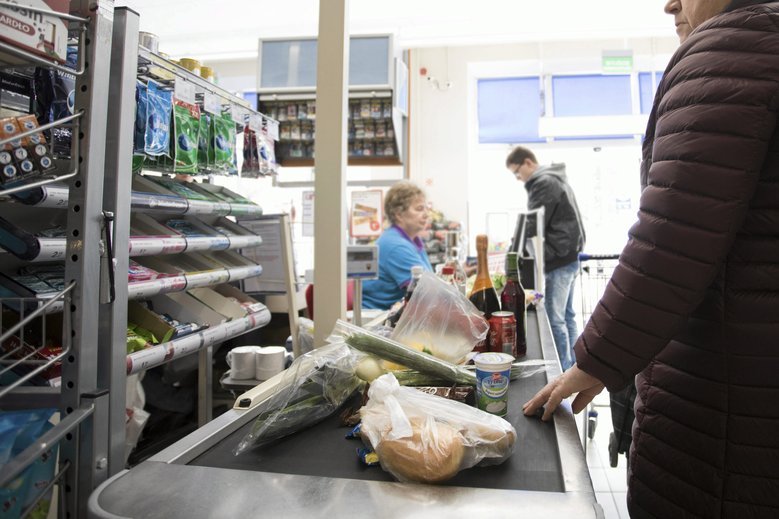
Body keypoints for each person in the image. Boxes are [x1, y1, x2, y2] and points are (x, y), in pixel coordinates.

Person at [524, 1, 779, 517]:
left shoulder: (730, 46)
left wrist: (596, 359)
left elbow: (672, 236)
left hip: (722, 394)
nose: (671, 4)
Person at [505, 147, 585, 370]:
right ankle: (573, 366)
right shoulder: (555, 178)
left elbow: (532, 224)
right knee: (567, 316)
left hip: (558, 260)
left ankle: (560, 372)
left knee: (554, 319)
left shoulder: (543, 183)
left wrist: (512, 255)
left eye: (517, 172)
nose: (518, 178)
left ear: (528, 163)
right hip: (568, 256)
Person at [362, 181, 433, 310]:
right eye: (419, 209)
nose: (426, 214)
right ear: (399, 214)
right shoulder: (396, 246)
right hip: (379, 321)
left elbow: (431, 282)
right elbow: (428, 293)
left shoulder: (413, 240)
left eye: (426, 208)